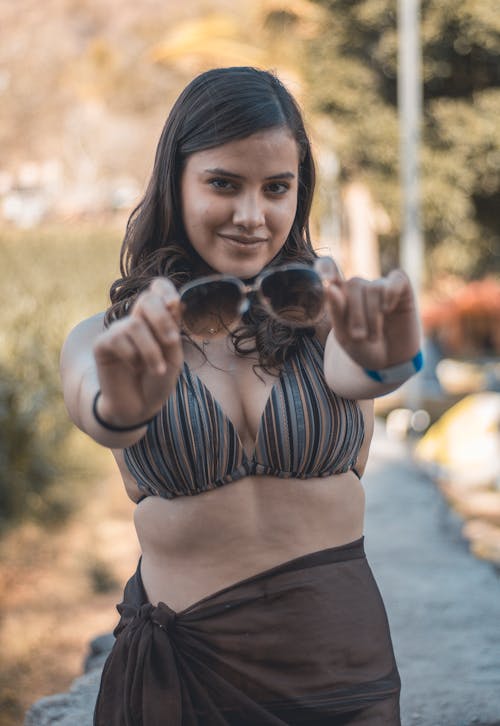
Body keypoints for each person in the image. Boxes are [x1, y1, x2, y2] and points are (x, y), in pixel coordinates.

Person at [60, 66, 422, 725]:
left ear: (298, 192)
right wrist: (125, 406)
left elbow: (361, 372)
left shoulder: (327, 313)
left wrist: (394, 362)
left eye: (277, 188)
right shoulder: (104, 339)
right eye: (224, 184)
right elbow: (101, 412)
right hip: (192, 678)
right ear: (176, 182)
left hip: (344, 675)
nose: (253, 216)